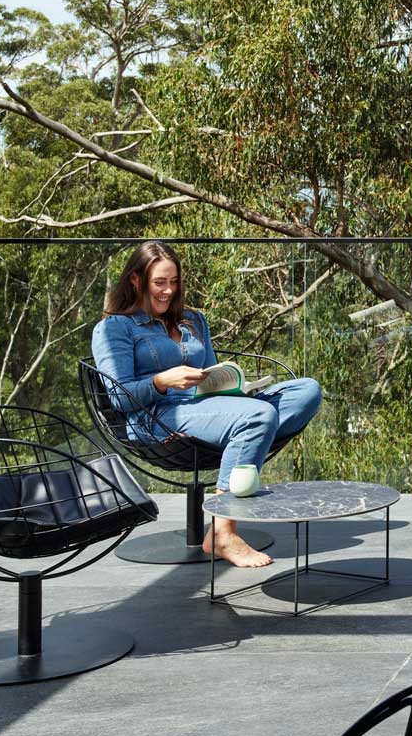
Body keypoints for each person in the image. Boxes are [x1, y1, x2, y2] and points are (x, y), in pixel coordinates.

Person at [91, 240, 323, 568]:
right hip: (159, 416)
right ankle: (222, 531)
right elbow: (119, 397)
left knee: (307, 391)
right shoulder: (115, 327)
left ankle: (244, 433)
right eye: (159, 282)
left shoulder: (193, 320)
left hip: (206, 406)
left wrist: (234, 390)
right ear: (135, 280)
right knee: (259, 416)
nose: (168, 291)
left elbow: (210, 374)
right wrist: (161, 381)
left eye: (174, 282)